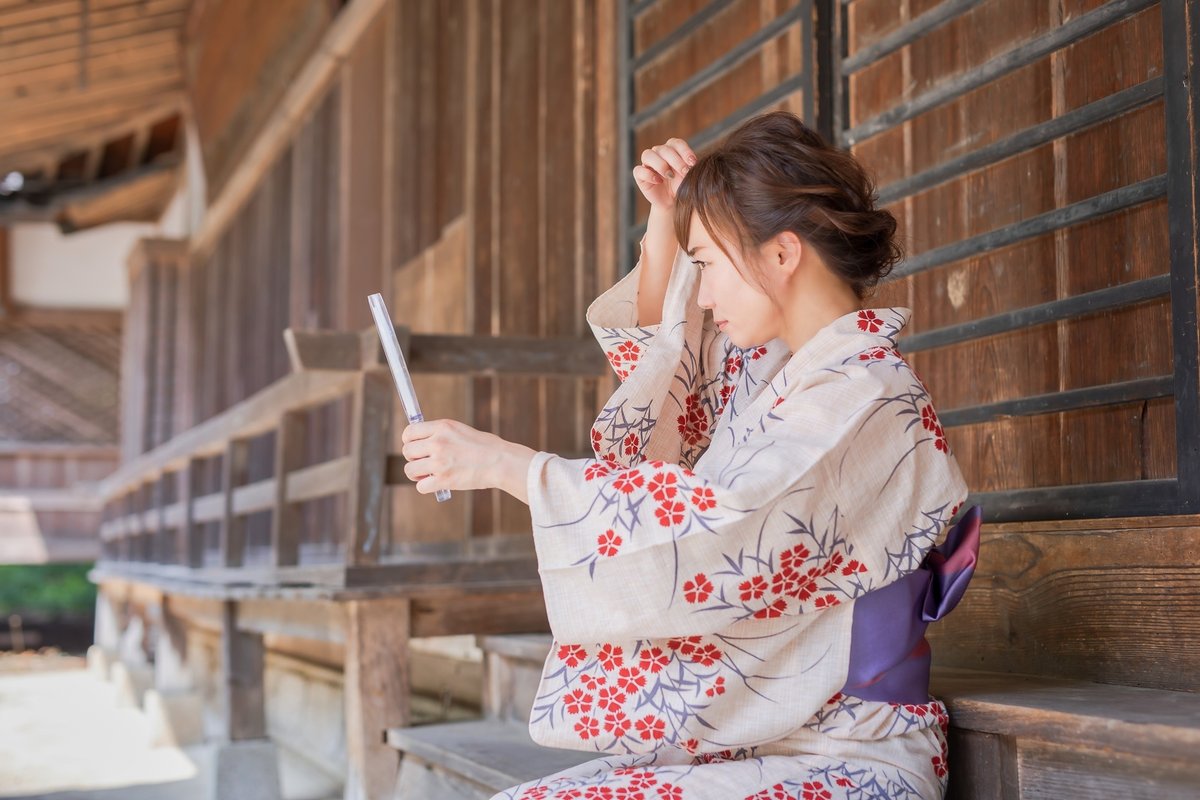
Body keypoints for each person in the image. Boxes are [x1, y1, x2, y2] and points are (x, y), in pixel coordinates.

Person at [400, 111, 981, 800]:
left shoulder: (866, 393)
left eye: (706, 264)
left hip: (847, 749)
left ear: (783, 253)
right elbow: (668, 416)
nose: (701, 294)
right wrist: (668, 227)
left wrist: (510, 468)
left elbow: (712, 523)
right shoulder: (787, 380)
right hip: (763, 737)